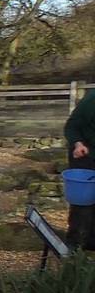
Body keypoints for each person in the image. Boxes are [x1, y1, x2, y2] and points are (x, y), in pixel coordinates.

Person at [64, 86, 95, 251]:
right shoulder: (92, 100)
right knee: (83, 201)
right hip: (83, 153)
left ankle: (91, 242)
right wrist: (78, 143)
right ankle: (74, 243)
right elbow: (72, 126)